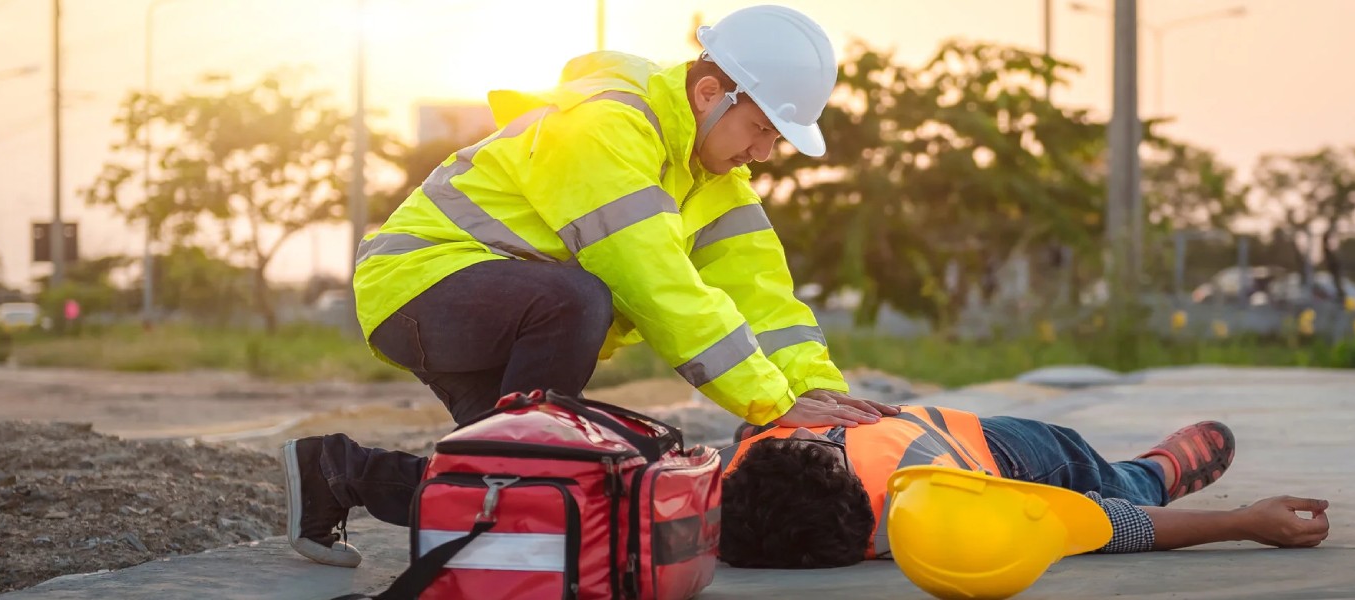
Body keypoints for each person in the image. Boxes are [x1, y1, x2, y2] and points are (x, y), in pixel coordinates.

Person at [281, 5, 897, 568]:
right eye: (761, 128)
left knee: (534, 493)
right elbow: (654, 283)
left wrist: (824, 404)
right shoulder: (607, 125)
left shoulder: (717, 187)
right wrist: (769, 401)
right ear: (710, 93)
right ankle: (521, 472)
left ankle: (338, 473)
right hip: (419, 286)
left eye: (775, 139)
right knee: (580, 301)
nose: (764, 152)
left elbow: (766, 303)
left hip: (499, 310)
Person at [718, 407, 1332, 568]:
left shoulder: (945, 500)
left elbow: (1107, 526)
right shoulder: (932, 510)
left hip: (988, 442)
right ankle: (1148, 473)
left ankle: (1147, 473)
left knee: (1100, 476)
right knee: (1096, 478)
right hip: (970, 446)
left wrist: (1245, 522)